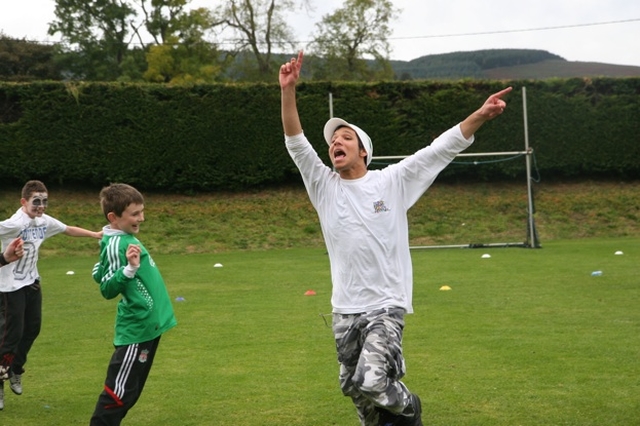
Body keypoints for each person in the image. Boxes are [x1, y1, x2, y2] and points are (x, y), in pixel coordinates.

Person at [279, 51, 511, 426]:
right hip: (344, 307)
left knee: (372, 381)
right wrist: (288, 90)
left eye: (345, 137)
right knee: (353, 388)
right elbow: (295, 141)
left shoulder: (391, 181)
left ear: (363, 151)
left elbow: (440, 150)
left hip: (386, 303)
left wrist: (480, 115)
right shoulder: (323, 186)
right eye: (333, 140)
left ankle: (410, 407)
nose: (336, 142)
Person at [0, 180, 102, 411]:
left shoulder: (43, 221)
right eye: (36, 202)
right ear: (23, 202)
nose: (41, 206)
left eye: (45, 201)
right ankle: (0, 380)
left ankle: (15, 369)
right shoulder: (15, 223)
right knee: (10, 337)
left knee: (33, 329)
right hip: (9, 288)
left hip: (32, 283)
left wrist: (94, 234)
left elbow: (67, 229)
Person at [90, 183, 177, 426]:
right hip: (136, 330)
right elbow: (107, 289)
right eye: (135, 214)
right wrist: (130, 269)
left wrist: (101, 269)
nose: (142, 218)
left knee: (131, 392)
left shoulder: (121, 238)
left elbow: (102, 270)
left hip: (150, 326)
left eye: (141, 211)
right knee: (118, 395)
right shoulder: (119, 244)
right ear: (113, 217)